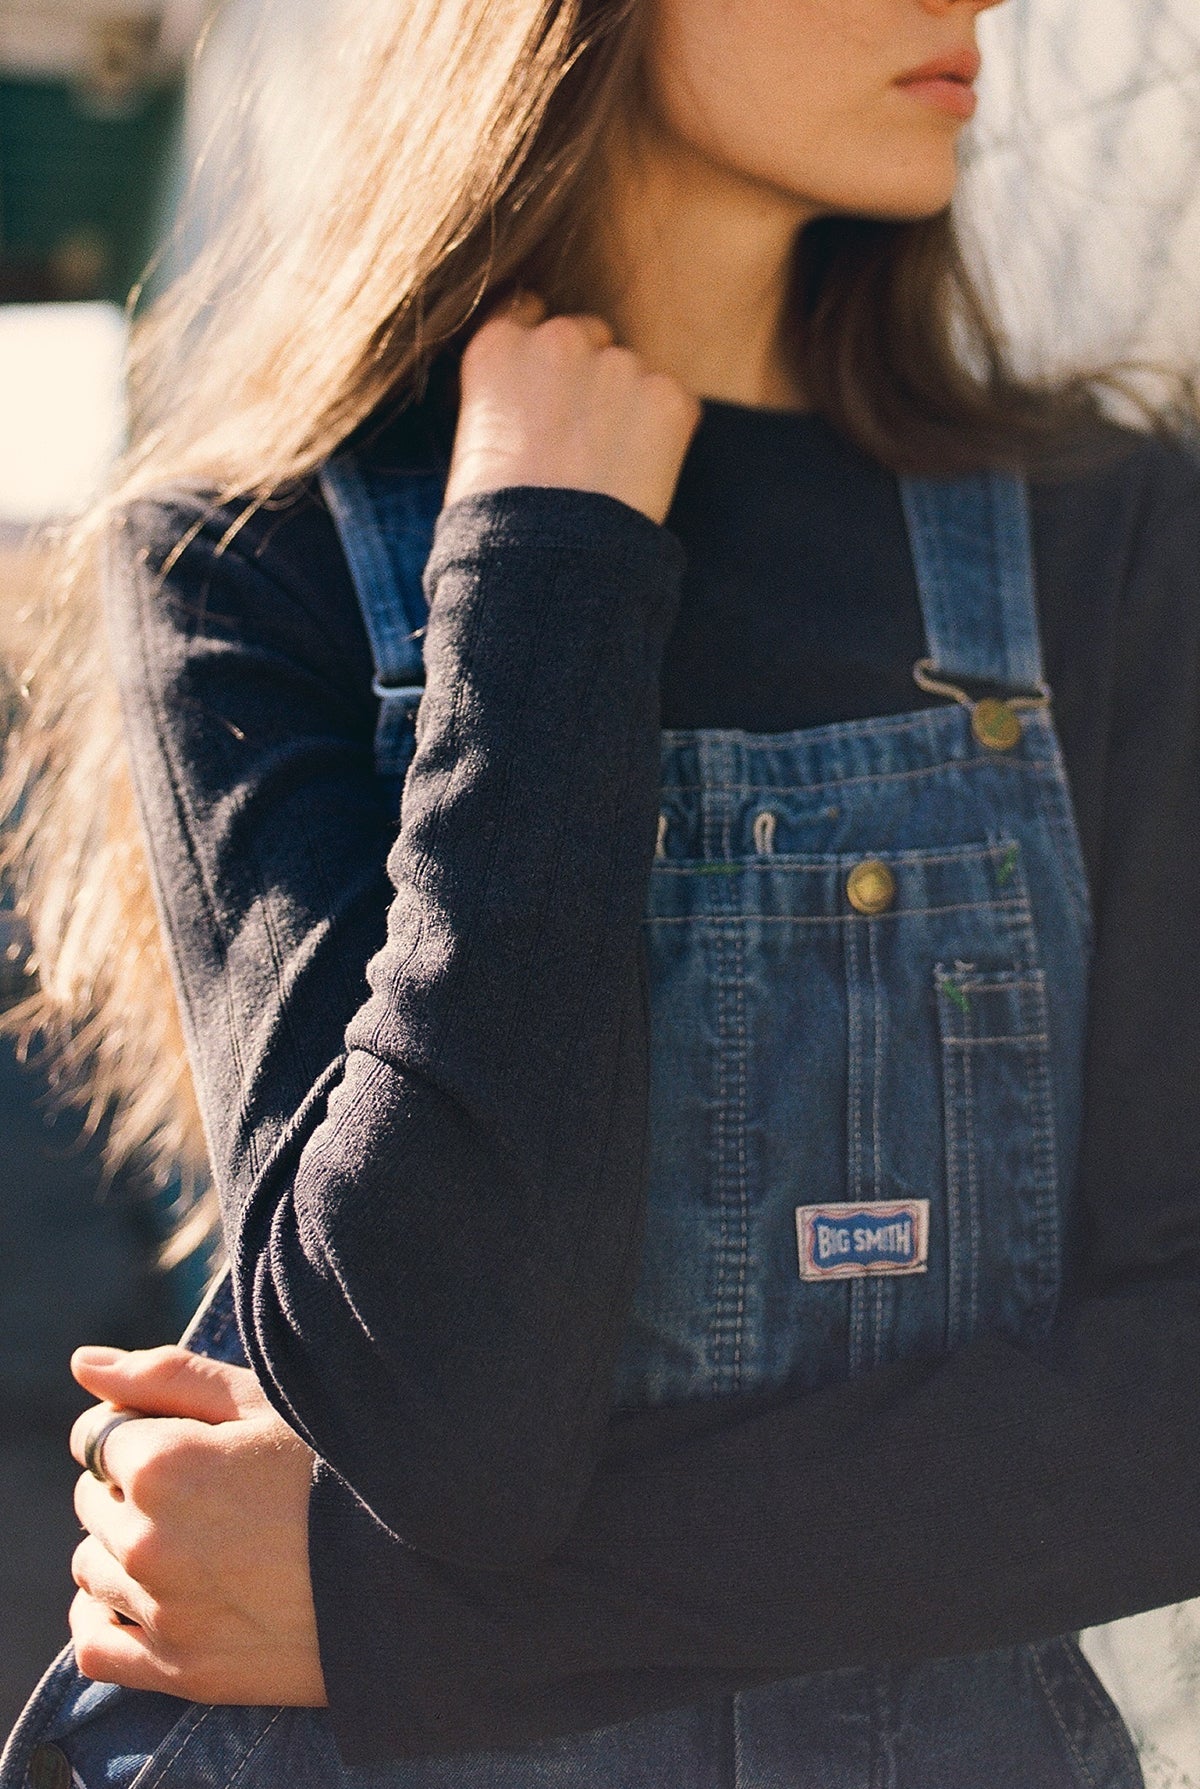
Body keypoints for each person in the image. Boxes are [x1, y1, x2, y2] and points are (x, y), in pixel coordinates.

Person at [4, 0, 1200, 1781]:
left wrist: (395, 1618)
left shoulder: (1103, 532)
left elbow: (1171, 1410)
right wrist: (543, 561)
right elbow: (439, 1408)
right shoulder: (250, 560)